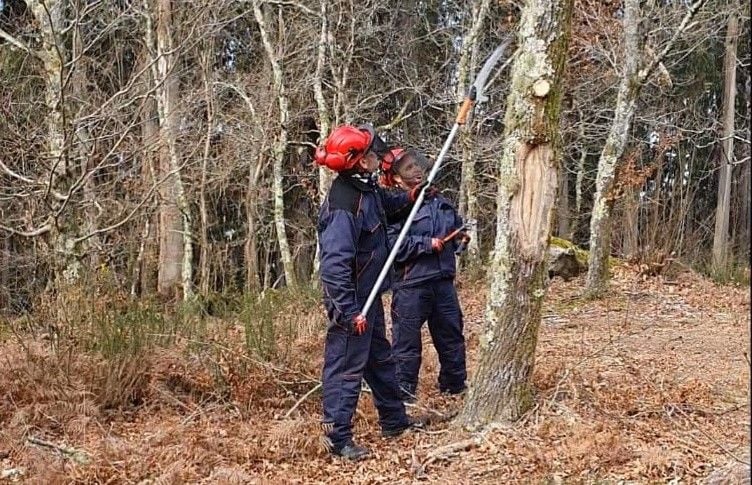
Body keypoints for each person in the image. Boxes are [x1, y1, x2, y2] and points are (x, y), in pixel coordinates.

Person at [314, 125, 427, 461]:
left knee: (380, 359)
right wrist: (348, 312)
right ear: (360, 161)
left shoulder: (366, 190)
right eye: (374, 155)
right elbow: (334, 265)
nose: (380, 159)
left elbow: (387, 206)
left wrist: (412, 195)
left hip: (370, 294)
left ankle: (394, 421)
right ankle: (337, 438)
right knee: (346, 367)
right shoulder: (343, 203)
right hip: (352, 301)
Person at [380, 147, 468, 403]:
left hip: (443, 282)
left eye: (416, 165)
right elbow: (392, 245)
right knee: (406, 343)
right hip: (411, 285)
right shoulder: (395, 207)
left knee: (451, 335)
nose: (416, 170)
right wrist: (426, 244)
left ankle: (454, 386)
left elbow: (456, 227)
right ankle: (404, 392)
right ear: (395, 178)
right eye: (408, 168)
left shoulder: (440, 201)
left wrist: (460, 238)